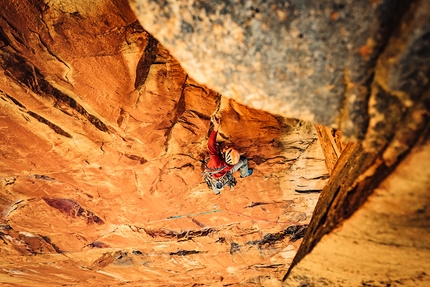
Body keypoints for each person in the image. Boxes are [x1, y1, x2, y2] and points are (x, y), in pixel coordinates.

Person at [203, 116, 253, 194]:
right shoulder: (231, 163)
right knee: (243, 160)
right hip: (225, 173)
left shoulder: (216, 161)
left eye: (226, 149)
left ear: (224, 156)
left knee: (216, 187)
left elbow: (211, 145)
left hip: (214, 176)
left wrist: (216, 128)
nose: (226, 146)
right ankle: (244, 174)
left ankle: (216, 192)